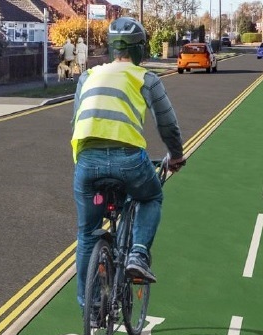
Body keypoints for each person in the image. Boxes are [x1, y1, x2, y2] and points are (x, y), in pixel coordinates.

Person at [71, 17, 186, 311]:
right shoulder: (145, 78)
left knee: (86, 233)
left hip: (87, 161)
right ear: (140, 49)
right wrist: (176, 155)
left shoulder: (88, 76)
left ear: (110, 48)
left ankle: (89, 304)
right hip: (128, 160)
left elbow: (76, 120)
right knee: (151, 197)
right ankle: (136, 254)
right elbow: (168, 125)